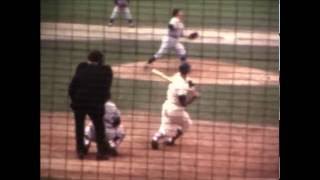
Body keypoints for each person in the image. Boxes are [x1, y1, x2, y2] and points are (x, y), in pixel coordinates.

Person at [68, 50, 113, 160]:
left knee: (79, 127)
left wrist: (74, 101)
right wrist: (102, 101)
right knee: (99, 127)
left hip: (80, 102)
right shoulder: (106, 70)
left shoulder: (81, 68)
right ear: (100, 60)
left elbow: (72, 87)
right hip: (95, 103)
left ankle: (80, 151)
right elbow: (106, 88)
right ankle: (101, 153)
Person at [151, 62, 200, 150]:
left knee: (164, 127)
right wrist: (194, 97)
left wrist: (192, 86)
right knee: (187, 124)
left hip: (166, 107)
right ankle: (171, 139)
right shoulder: (181, 87)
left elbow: (189, 81)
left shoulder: (177, 76)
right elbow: (183, 104)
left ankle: (156, 137)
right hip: (176, 110)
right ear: (187, 70)